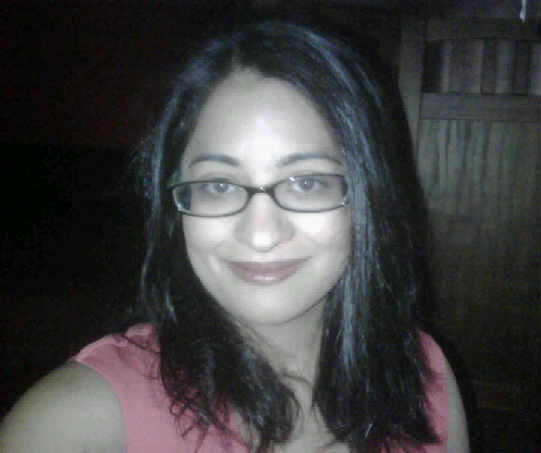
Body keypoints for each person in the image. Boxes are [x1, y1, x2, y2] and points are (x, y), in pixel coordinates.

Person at [0, 19, 469, 453]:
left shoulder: (424, 377)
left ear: (368, 195)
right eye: (218, 186)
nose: (261, 234)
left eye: (307, 182)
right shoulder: (74, 421)